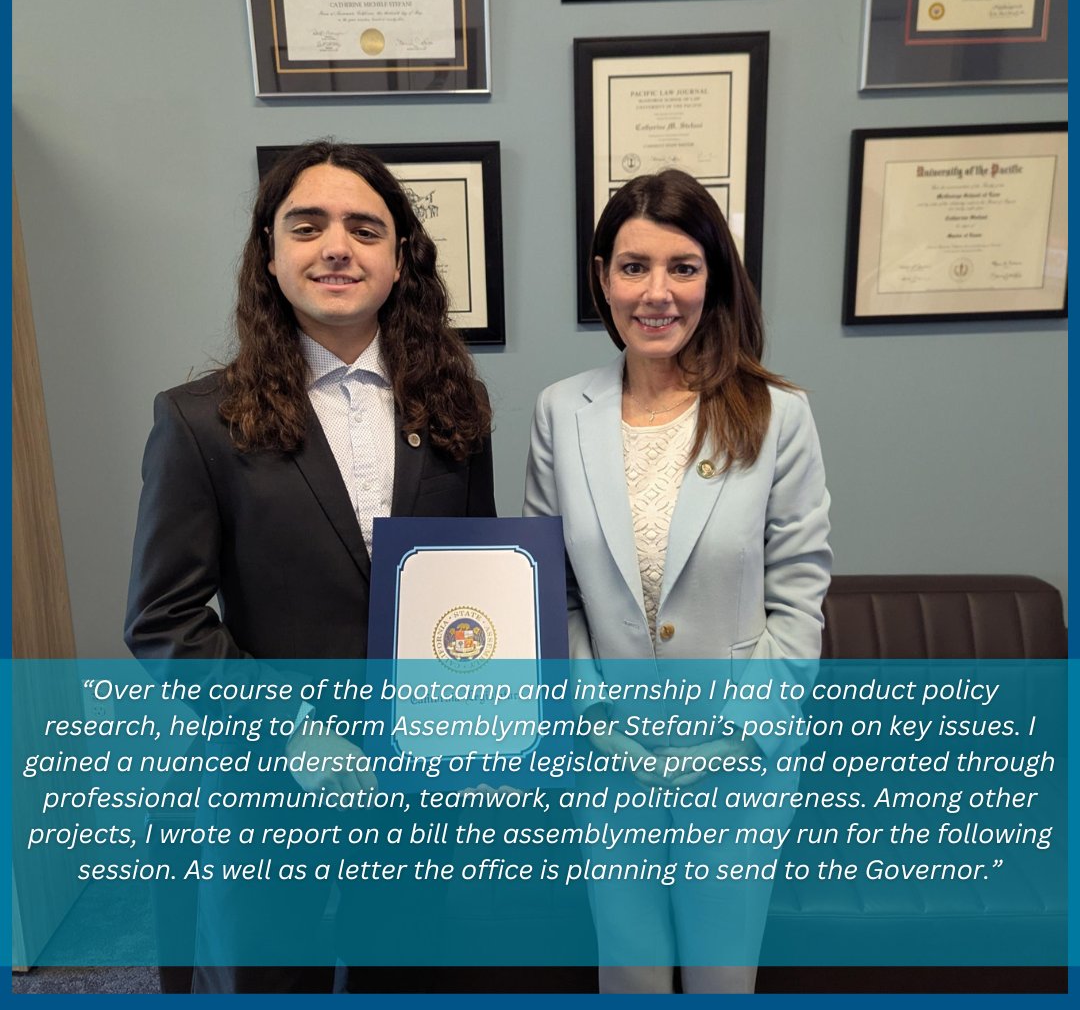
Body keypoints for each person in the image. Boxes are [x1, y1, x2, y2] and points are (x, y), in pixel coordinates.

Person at [124, 139, 496, 994]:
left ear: (400, 260)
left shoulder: (452, 406)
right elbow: (164, 621)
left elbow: (471, 584)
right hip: (267, 784)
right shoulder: (198, 422)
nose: (338, 246)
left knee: (406, 977)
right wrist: (296, 729)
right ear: (270, 254)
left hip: (415, 784)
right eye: (309, 225)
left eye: (366, 228)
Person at [523, 168, 831, 994]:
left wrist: (737, 736)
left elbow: (801, 596)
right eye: (633, 267)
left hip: (739, 758)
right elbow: (551, 595)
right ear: (602, 280)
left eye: (682, 267)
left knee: (722, 974)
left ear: (714, 278)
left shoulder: (777, 414)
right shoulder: (561, 411)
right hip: (607, 753)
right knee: (627, 969)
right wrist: (593, 719)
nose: (656, 293)